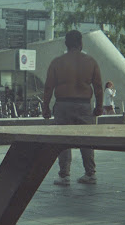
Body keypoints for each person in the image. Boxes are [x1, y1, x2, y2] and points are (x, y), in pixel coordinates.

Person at [42, 30, 103, 185]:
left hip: (63, 104)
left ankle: (64, 176)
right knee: (87, 140)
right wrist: (99, 107)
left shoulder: (57, 62)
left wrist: (45, 107)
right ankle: (90, 174)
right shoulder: (91, 62)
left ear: (66, 44)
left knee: (63, 140)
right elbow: (98, 87)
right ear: (81, 44)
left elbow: (48, 87)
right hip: (84, 104)